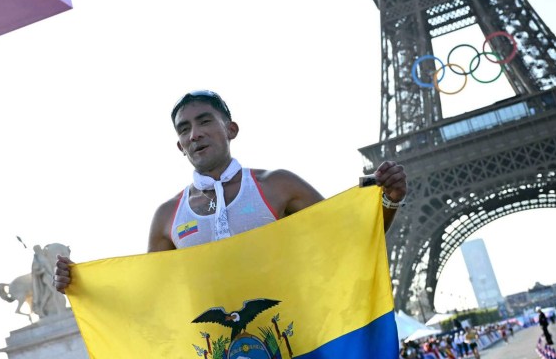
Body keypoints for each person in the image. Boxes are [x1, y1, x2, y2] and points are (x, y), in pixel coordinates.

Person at [54, 90, 407, 291]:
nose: (195, 134)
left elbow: (351, 238)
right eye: (184, 129)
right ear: (179, 145)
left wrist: (390, 198)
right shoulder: (167, 217)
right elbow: (152, 293)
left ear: (231, 129)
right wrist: (82, 284)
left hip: (299, 338)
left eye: (205, 121)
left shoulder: (277, 184)